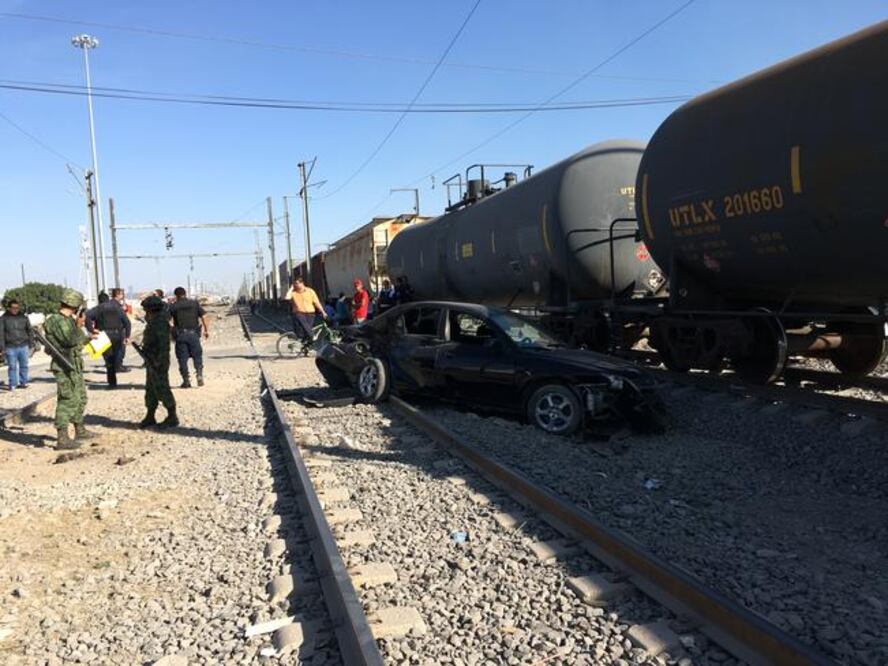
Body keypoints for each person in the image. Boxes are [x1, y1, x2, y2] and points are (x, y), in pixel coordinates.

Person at [44, 289, 97, 449]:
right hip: (64, 365)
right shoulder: (58, 321)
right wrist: (79, 325)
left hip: (73, 364)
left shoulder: (67, 320)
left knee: (80, 397)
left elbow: (76, 341)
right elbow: (69, 340)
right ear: (75, 305)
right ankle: (62, 438)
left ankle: (79, 429)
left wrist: (89, 337)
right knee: (67, 400)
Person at [139, 295, 178, 428]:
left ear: (151, 310)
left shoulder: (160, 322)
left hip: (158, 361)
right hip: (152, 360)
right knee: (150, 388)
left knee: (162, 387)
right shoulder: (154, 321)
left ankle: (172, 416)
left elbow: (163, 345)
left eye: (146, 310)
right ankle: (150, 415)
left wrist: (158, 362)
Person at [87, 288, 131, 388]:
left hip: (103, 336)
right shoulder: (117, 308)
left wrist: (92, 330)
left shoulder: (98, 308)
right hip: (117, 335)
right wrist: (127, 336)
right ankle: (117, 366)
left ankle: (112, 383)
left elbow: (87, 316)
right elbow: (127, 322)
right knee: (118, 355)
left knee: (108, 361)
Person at [169, 287, 209, 388]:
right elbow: (204, 316)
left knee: (182, 358)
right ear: (185, 294)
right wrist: (206, 330)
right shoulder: (194, 303)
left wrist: (172, 330)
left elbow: (167, 320)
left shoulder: (173, 306)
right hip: (194, 334)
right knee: (197, 356)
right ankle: (199, 375)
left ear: (176, 295)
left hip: (180, 335)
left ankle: (186, 380)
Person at [0, 299, 34, 391]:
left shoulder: (24, 317)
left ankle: (23, 382)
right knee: (12, 366)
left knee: (24, 365)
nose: (15, 309)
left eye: (17, 308)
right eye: (13, 308)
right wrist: (2, 348)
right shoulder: (3, 318)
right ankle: (13, 384)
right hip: (10, 347)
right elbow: (1, 334)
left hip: (23, 345)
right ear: (9, 308)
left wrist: (31, 343)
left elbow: (29, 330)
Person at [284, 277, 326, 343]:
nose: (296, 285)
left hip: (310, 313)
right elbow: (287, 298)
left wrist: (323, 312)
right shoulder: (293, 292)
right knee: (301, 320)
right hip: (299, 313)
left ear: (302, 283)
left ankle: (306, 346)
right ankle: (312, 336)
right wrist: (291, 288)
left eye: (297, 283)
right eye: (294, 284)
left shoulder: (310, 291)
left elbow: (316, 302)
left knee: (307, 331)